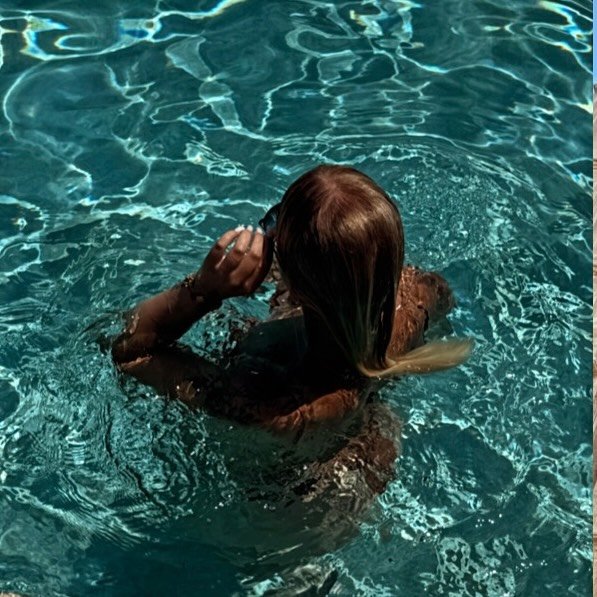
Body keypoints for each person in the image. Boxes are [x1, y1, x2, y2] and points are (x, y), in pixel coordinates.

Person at [111, 164, 470, 472]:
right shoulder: (419, 293)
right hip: (362, 436)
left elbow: (129, 350)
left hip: (296, 498)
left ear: (292, 285)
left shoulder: (269, 405)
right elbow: (443, 299)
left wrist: (204, 290)